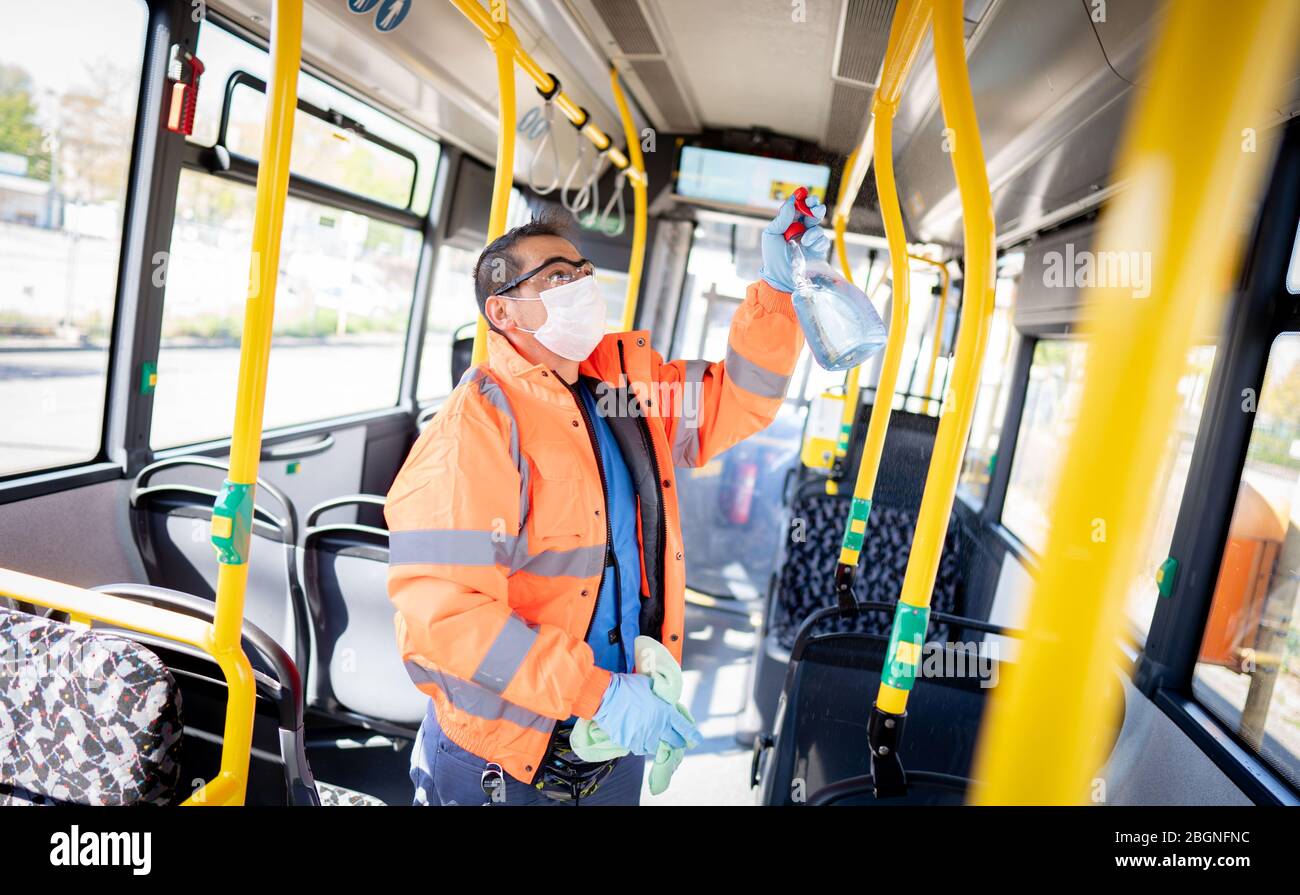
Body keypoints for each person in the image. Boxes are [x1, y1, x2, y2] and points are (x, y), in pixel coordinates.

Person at [386, 193, 829, 805]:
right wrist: (596, 693)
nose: (582, 287)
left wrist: (777, 293)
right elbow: (448, 620)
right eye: (559, 277)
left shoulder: (624, 394)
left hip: (613, 739)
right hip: (505, 755)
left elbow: (738, 395)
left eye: (585, 273)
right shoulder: (475, 429)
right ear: (504, 311)